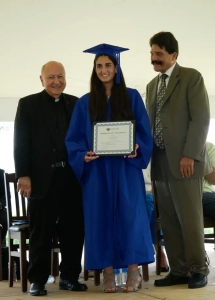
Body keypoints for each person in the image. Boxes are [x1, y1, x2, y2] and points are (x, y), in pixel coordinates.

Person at [65, 43, 155, 293]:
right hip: (97, 170)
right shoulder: (85, 102)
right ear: (94, 70)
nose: (103, 70)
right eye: (99, 66)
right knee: (99, 217)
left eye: (108, 65)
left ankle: (133, 271)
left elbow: (144, 135)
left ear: (116, 68)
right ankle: (107, 273)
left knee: (131, 216)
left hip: (126, 169)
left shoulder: (132, 96)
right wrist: (83, 155)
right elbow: (73, 139)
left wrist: (136, 147)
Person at [14, 61, 87, 296]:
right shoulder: (27, 104)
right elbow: (21, 142)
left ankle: (69, 277)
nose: (57, 81)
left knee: (74, 231)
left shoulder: (76, 103)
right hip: (40, 180)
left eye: (61, 76)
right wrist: (23, 174)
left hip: (71, 179)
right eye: (51, 77)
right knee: (40, 233)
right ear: (41, 80)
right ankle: (37, 280)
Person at [145, 31, 211, 289]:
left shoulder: (191, 77)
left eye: (159, 54)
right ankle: (179, 269)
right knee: (169, 220)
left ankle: (198, 269)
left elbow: (201, 119)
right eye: (152, 54)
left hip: (186, 162)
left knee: (190, 219)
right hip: (160, 162)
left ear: (174, 55)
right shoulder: (152, 86)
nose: (154, 59)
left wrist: (190, 155)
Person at [143, 163, 169, 272]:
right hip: (136, 191)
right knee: (150, 205)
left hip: (155, 191)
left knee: (153, 205)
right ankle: (158, 249)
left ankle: (152, 248)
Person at [0, 168, 7, 247]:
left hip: (0, 210)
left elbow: (5, 196)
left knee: (4, 215)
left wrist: (0, 203)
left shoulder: (0, 173)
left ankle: (1, 246)